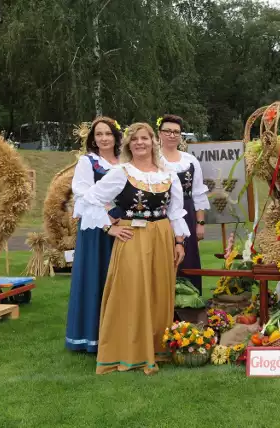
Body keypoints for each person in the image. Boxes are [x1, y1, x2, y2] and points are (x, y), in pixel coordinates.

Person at [74, 122, 189, 375]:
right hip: (133, 238)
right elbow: (88, 199)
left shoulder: (168, 174)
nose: (140, 143)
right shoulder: (121, 172)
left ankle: (158, 349)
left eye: (144, 138)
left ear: (152, 142)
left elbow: (175, 211)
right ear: (128, 144)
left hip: (162, 237)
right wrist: (109, 228)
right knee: (132, 292)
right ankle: (128, 351)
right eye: (134, 139)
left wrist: (179, 242)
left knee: (159, 292)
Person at [66, 117, 121, 352]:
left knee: (119, 279)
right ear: (93, 139)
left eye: (108, 133)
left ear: (116, 136)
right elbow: (83, 192)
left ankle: (119, 334)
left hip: (123, 226)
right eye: (99, 134)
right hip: (96, 228)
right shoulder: (87, 162)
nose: (104, 138)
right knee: (95, 277)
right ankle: (91, 337)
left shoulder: (125, 161)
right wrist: (110, 212)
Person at [159, 114, 209, 293]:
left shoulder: (190, 160)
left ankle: (191, 304)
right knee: (163, 257)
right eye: (167, 131)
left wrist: (200, 223)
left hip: (187, 213)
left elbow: (198, 192)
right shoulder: (153, 160)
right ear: (159, 134)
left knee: (188, 258)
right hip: (161, 214)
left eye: (176, 132)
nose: (172, 135)